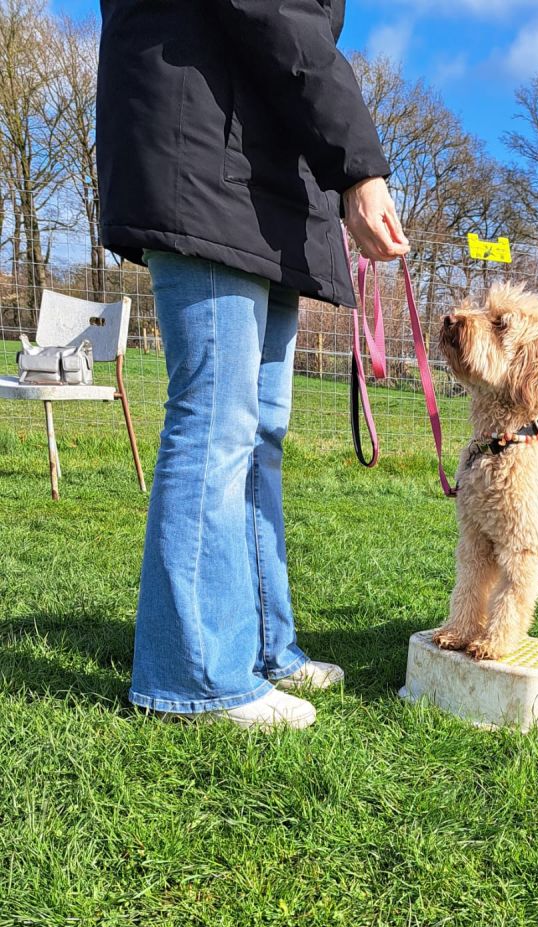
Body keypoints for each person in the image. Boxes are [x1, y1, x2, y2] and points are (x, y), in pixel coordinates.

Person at [97, 0, 408, 730]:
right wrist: (359, 168)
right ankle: (196, 674)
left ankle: (264, 646)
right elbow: (279, 13)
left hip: (259, 177)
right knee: (216, 420)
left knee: (259, 434)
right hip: (204, 154)